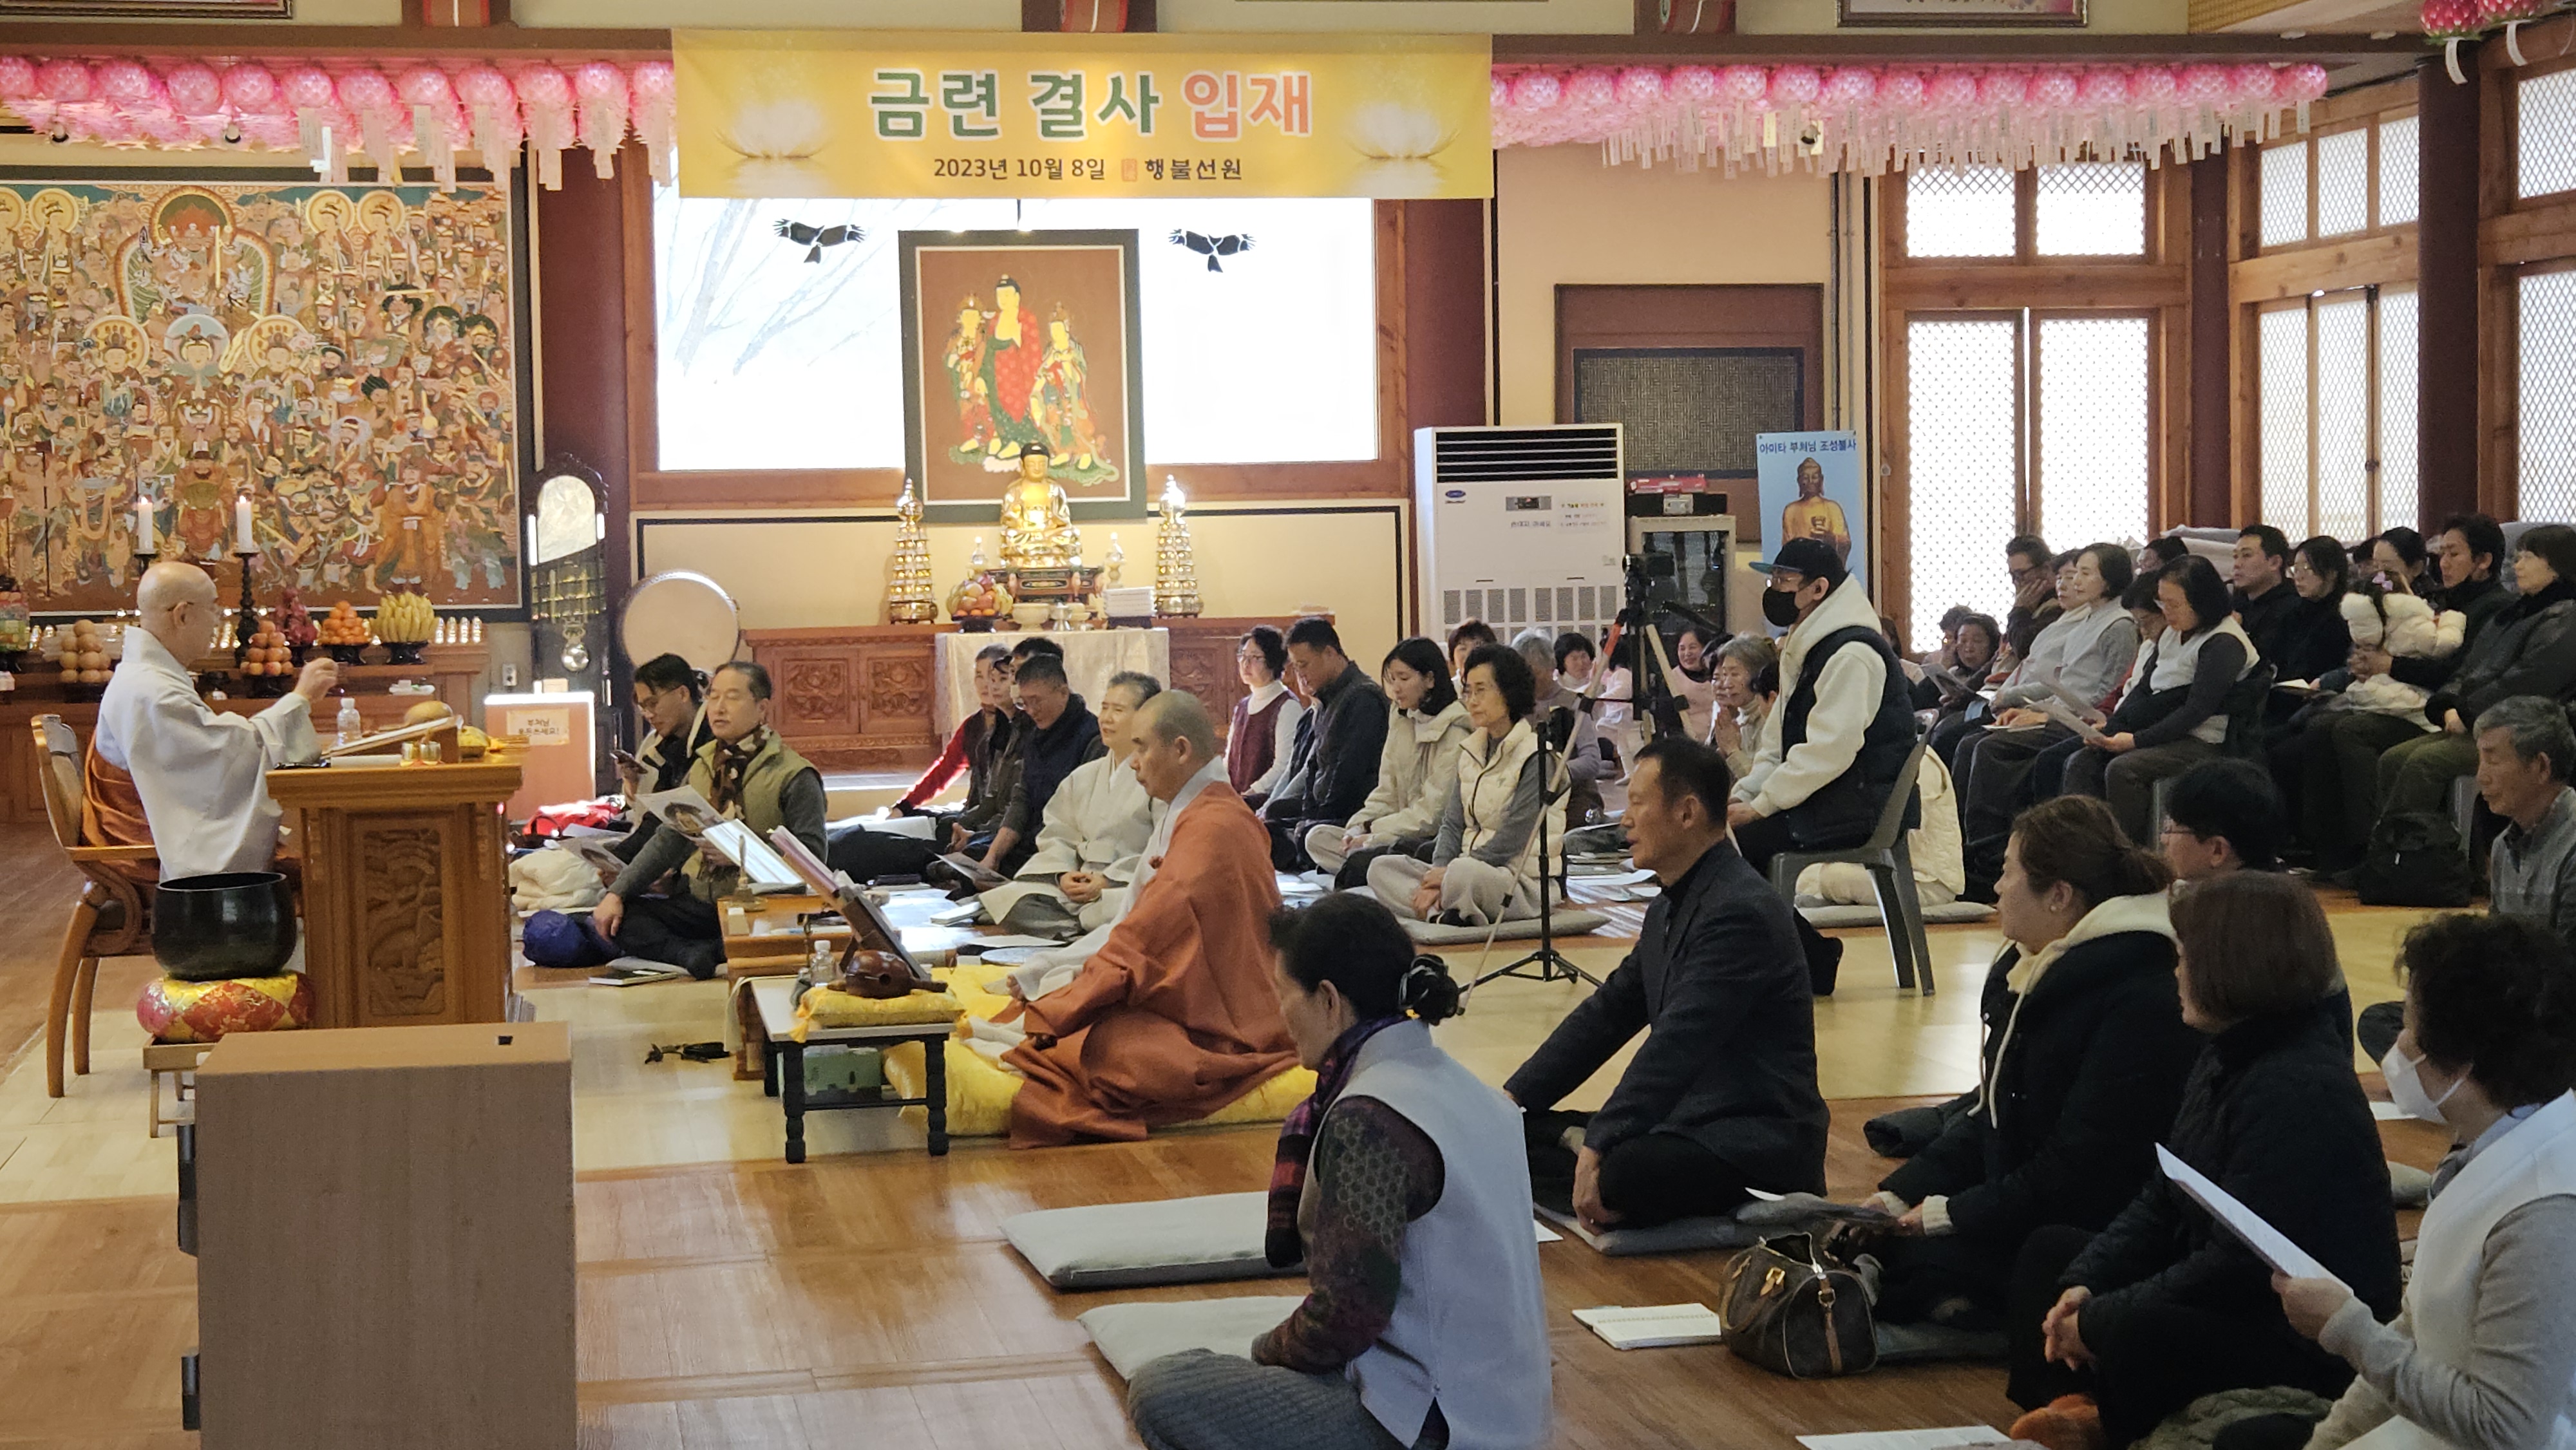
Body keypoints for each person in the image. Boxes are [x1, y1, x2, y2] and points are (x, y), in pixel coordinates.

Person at [1124, 894, 1550, 1450]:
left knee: (1167, 1389)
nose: (1279, 1013)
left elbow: (1349, 1313)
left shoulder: (1370, 1117)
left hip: (1431, 1421)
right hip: (1509, 1410)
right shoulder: (1472, 1091)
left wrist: (1265, 1351)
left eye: (1283, 993)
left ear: (1327, 1000)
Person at [2005, 873, 2403, 1450]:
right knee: (2053, 1255)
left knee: (2144, 1329)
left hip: (2301, 1336)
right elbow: (2164, 1195)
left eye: (2185, 956)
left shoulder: (2298, 1088)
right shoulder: (2228, 1053)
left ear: (2230, 966)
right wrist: (2086, 1286)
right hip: (2236, 1295)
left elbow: (2237, 1265)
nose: (2175, 971)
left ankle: (2109, 1426)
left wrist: (2102, 1319)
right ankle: (2081, 1410)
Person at [1866, 798, 2198, 1332]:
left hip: (2092, 1228)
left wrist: (1950, 1214)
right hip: (2032, 1203)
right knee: (1876, 1240)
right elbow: (1991, 1116)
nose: (1997, 888)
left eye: (2007, 872)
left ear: (2059, 897)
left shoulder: (2140, 1001)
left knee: (1917, 1263)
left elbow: (2083, 1168)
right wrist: (1899, 1193)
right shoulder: (2037, 971)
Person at [2278, 912, 2576, 1450]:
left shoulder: (2545, 1214)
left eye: (2411, 1027)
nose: (2399, 1043)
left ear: (2461, 1063)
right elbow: (2418, 1329)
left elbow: (2507, 1429)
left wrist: (2349, 1330)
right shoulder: (2491, 1144)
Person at [1505, 737, 1829, 1229]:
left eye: (1638, 803)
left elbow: (1677, 1045)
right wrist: (1514, 1098)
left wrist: (1600, 1140)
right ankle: (1590, 1164)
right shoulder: (1667, 907)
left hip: (1754, 1136)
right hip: (1683, 1121)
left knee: (1625, 1172)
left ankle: (1601, 1170)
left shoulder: (1742, 911)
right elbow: (1608, 1014)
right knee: (1513, 1134)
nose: (1626, 820)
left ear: (1687, 812)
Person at [1001, 692, 1298, 1147]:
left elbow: (1148, 934)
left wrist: (1077, 993)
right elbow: (1136, 922)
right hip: (1191, 991)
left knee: (1110, 1052)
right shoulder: (1190, 808)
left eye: (1141, 748)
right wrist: (1063, 973)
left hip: (1228, 1020)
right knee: (1075, 1015)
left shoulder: (1214, 825)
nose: (1133, 762)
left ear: (1180, 750)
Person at [1730, 537, 1922, 993]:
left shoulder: (1852, 653)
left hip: (1860, 804)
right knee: (1718, 835)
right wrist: (1745, 795)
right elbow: (1777, 746)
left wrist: (1762, 808)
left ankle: (1800, 963)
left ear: (1818, 589)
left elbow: (1830, 750)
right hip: (1828, 796)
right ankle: (1803, 957)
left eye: (1784, 580)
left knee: (1733, 847)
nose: (1774, 589)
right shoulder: (1808, 644)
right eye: (1773, 578)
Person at [90, 561, 339, 880]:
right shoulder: (150, 691)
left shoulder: (148, 678)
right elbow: (226, 758)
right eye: (213, 609)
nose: (218, 620)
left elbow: (213, 751)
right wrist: (299, 700)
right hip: (145, 853)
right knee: (324, 870)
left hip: (152, 835)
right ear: (182, 615)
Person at [2291, 516, 2508, 872]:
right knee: (2321, 724)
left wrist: (2389, 666)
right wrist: (2366, 665)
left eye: (2454, 554)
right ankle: (2327, 849)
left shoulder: (2494, 608)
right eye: (2442, 553)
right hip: (2405, 696)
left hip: (2433, 709)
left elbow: (2454, 672)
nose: (2445, 563)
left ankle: (2372, 848)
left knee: (2351, 731)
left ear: (2483, 560)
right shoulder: (2436, 599)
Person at [596, 662, 825, 980]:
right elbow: (669, 836)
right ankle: (697, 954)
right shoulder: (703, 766)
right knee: (622, 916)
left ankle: (707, 950)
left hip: (763, 908)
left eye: (732, 697)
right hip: (703, 904)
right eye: (714, 696)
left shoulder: (793, 774)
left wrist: (742, 852)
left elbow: (812, 859)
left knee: (775, 933)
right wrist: (617, 893)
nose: (718, 707)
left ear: (762, 709)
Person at [1951, 544, 2143, 889]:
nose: (2076, 581)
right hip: (2060, 711)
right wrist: (2033, 709)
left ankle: (1993, 857)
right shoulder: (2086, 620)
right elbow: (2063, 682)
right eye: (2074, 573)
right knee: (1971, 742)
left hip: (2083, 720)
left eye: (2086, 573)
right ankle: (1967, 849)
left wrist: (2045, 715)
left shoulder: (2119, 624)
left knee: (1992, 749)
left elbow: (2109, 693)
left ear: (2109, 579)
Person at [2370, 525, 2576, 843]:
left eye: (2529, 557)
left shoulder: (2566, 617)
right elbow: (2468, 668)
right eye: (2517, 557)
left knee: (2424, 764)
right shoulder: (2513, 614)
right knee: (2393, 759)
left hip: (2523, 731)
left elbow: (2528, 681)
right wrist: (2448, 705)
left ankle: (2418, 859)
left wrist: (2467, 712)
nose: (2518, 565)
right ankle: (2389, 854)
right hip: (2478, 719)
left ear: (2557, 565)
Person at [2060, 556, 2260, 847]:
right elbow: (2144, 689)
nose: (2166, 612)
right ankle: (2084, 848)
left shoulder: (2224, 642)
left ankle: (2131, 855)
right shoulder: (2173, 634)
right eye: (2162, 603)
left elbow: (2196, 710)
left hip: (2202, 740)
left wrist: (2136, 741)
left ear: (2201, 601)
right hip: (2159, 729)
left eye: (2174, 605)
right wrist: (2112, 728)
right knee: (2083, 760)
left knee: (2124, 769)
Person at [1369, 645, 1562, 928]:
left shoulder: (1537, 756)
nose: (1471, 701)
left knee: (1464, 874)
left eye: (1480, 691)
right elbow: (1452, 824)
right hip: (1463, 871)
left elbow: (1514, 837)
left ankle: (1445, 906)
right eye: (1468, 691)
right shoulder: (1471, 750)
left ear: (1509, 692)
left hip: (1517, 882)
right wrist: (1439, 871)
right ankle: (1445, 911)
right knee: (1380, 868)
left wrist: (1448, 874)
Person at [978, 672, 1160, 938]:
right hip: (1077, 885)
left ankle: (1078, 932)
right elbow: (1058, 834)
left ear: (1146, 717)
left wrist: (1108, 881)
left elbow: (1163, 848)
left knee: (1144, 906)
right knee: (1011, 901)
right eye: (1104, 708)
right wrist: (1063, 874)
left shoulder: (1160, 778)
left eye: (1118, 710)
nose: (1106, 719)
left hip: (1124, 886)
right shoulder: (1084, 777)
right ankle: (1079, 932)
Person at [827, 643, 1014, 881]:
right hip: (969, 815)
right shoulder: (973, 726)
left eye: (997, 678)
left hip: (981, 828)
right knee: (858, 831)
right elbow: (943, 772)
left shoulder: (1017, 728)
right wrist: (904, 807)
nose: (988, 684)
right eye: (980, 675)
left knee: (855, 846)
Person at [1306, 639, 1469, 887]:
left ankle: (1372, 873)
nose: (1396, 688)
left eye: (1404, 678)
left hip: (1423, 838)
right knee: (1317, 838)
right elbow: (1386, 791)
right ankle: (1369, 872)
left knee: (1374, 863)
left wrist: (1375, 833)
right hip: (1392, 828)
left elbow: (1432, 815)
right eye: (1392, 680)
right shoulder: (1402, 719)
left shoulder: (1455, 731)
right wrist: (1358, 827)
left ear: (1430, 679)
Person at [1261, 618, 1392, 872]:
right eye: (1295, 667)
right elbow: (1313, 769)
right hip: (1322, 812)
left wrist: (1313, 821)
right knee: (1270, 825)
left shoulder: (1363, 698)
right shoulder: (1326, 699)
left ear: (1330, 653)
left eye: (1304, 665)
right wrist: (1307, 815)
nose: (1300, 675)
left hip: (1350, 813)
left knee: (1305, 835)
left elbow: (1349, 776)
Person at [2472, 695, 2576, 953]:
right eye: (2480, 761)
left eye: (2492, 761)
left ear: (2541, 767)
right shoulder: (2502, 847)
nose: (2481, 776)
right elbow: (2498, 952)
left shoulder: (2572, 848)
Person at [985, 652, 1100, 876]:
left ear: (1063, 693)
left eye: (1036, 701)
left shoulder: (1092, 738)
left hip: (1063, 852)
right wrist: (993, 856)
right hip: (1030, 841)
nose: (1030, 711)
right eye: (1024, 703)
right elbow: (1023, 798)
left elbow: (1080, 820)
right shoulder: (1037, 734)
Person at [1516, 631, 1604, 826]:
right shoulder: (1517, 707)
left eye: (1534, 673)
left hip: (1574, 794)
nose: (1528, 681)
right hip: (1528, 795)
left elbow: (1591, 761)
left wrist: (1551, 771)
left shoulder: (1574, 704)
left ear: (1551, 666)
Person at [2157, 758, 2284, 881]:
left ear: (2218, 851)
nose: (2163, 839)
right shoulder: (2283, 888)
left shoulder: (2229, 897)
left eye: (2170, 829)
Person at [2259, 531, 2353, 692]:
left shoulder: (2344, 615)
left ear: (2332, 573)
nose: (2299, 577)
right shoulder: (2291, 612)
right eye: (2296, 569)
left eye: (2307, 568)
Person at [1227, 625, 1305, 804]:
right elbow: (1230, 760)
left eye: (1255, 658)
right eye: (1243, 656)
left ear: (1273, 662)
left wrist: (1251, 793)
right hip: (1239, 801)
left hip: (1266, 803)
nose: (1246, 664)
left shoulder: (1287, 707)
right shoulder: (1242, 706)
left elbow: (1284, 766)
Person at [2233, 526, 2320, 681]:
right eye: (2235, 556)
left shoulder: (2295, 608)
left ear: (2274, 563)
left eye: (2246, 555)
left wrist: (2235, 633)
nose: (2237, 564)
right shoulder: (2234, 603)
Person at [1709, 633, 1777, 782]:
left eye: (1735, 674)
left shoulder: (1770, 718)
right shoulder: (1735, 718)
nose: (1727, 684)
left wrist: (1732, 750)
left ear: (1757, 677)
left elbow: (1760, 784)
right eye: (1724, 674)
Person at [2006, 534, 2065, 663]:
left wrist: (2020, 610)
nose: (2016, 582)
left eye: (2021, 574)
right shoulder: (2033, 603)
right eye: (2012, 575)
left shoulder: (2061, 603)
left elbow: (2023, 647)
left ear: (2046, 568)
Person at [1445, 619, 1498, 686]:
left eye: (1477, 647)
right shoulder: (1448, 689)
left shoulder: (1499, 687)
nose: (1470, 654)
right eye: (1463, 649)